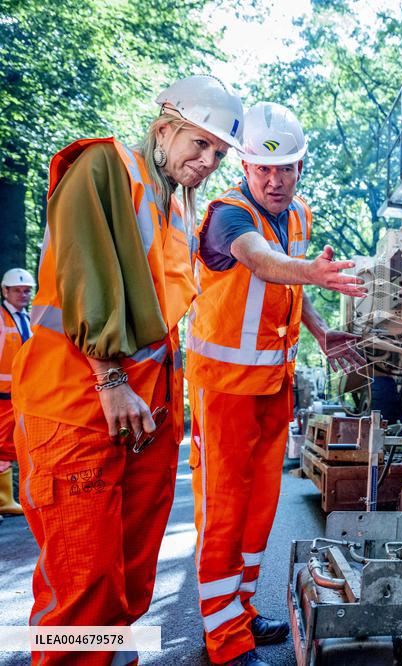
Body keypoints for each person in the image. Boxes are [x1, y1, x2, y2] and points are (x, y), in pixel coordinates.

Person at [11, 76, 243, 666]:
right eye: (200, 143)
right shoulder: (103, 167)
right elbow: (81, 281)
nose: (208, 160)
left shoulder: (169, 204)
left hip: (137, 421)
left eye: (219, 153)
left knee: (123, 585)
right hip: (81, 413)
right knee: (84, 593)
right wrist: (110, 380)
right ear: (165, 128)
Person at [185, 101, 366, 666]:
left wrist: (321, 330)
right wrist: (308, 268)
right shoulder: (228, 217)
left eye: (284, 167)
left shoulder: (297, 216)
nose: (274, 179)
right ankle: (224, 636)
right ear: (243, 168)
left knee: (259, 508)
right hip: (224, 390)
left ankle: (241, 611)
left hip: (272, 387)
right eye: (263, 169)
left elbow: (288, 285)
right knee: (223, 511)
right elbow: (262, 263)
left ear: (300, 168)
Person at [0, 267, 35, 520]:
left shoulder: (29, 318)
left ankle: (7, 499)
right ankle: (4, 500)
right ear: (5, 291)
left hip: (22, 395)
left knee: (14, 446)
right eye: (17, 290)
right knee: (1, 446)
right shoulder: (1, 318)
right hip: (2, 395)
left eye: (26, 291)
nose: (22, 295)